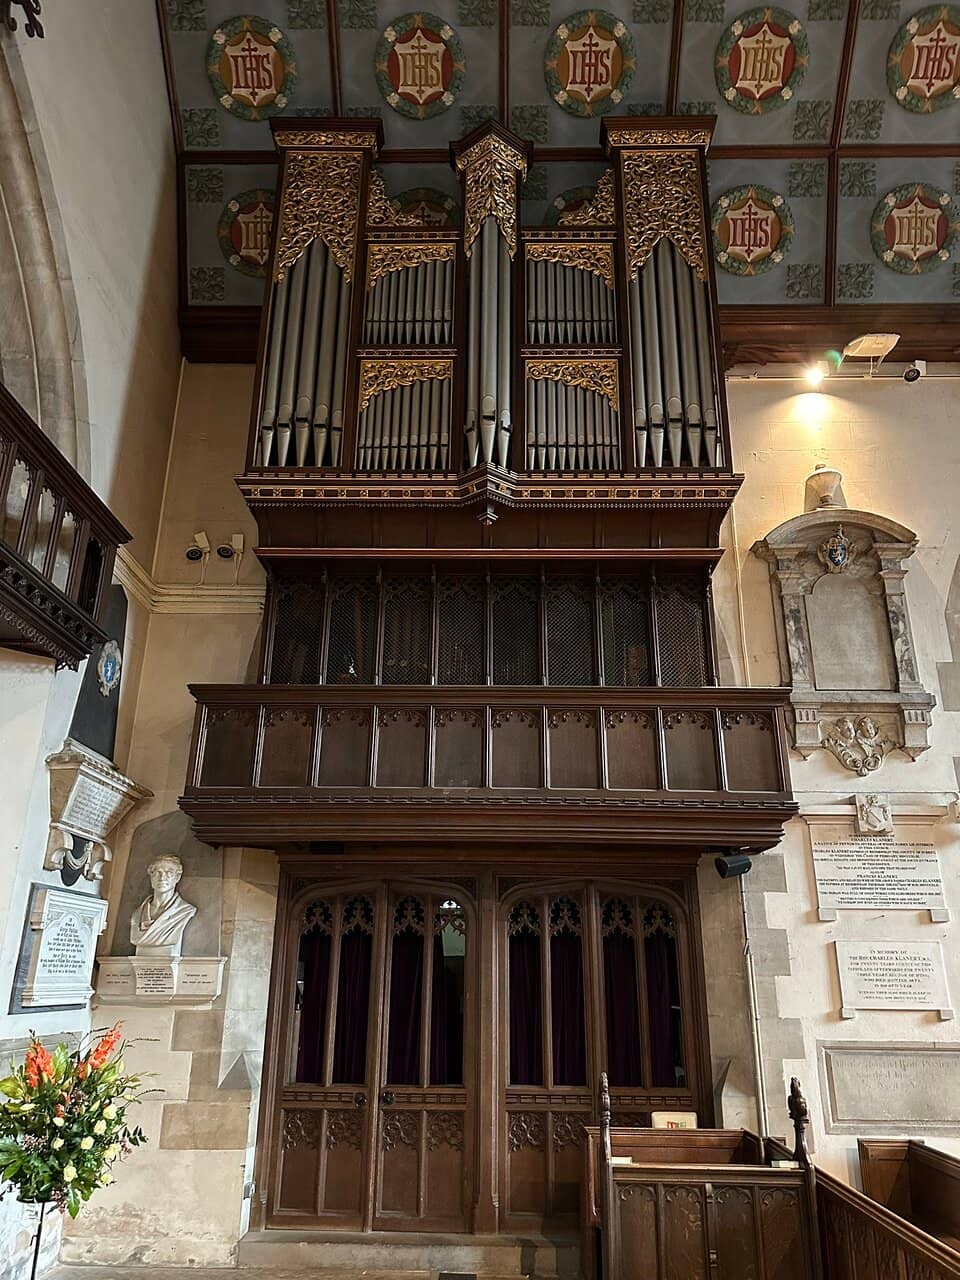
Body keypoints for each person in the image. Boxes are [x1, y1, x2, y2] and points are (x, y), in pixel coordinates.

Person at [130, 854, 196, 954]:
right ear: (151, 876)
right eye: (157, 872)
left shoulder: (185, 911)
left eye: (169, 873)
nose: (162, 878)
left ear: (177, 877)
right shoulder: (137, 914)